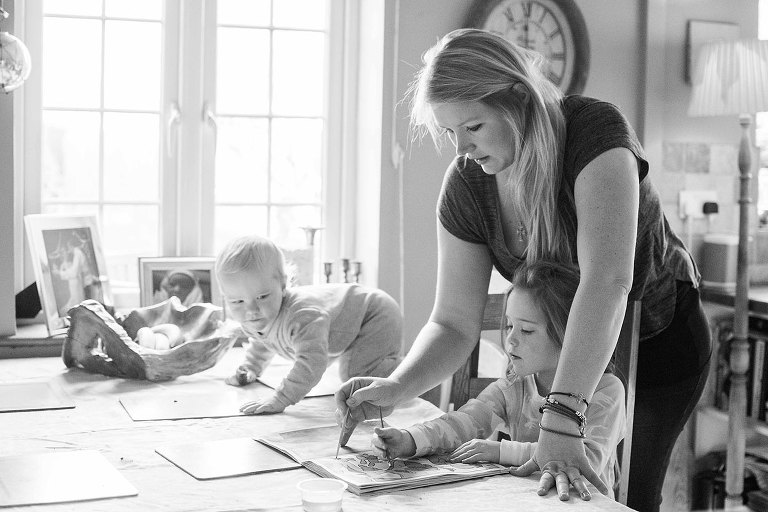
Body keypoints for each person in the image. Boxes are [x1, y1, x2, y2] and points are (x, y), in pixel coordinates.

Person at [335, 29, 711, 511]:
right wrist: (398, 386)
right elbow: (453, 323)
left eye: (472, 127)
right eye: (450, 133)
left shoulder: (594, 134)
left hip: (656, 350)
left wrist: (561, 419)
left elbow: (606, 283)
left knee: (620, 499)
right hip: (556, 369)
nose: (461, 149)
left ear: (517, 99)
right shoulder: (468, 185)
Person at [371, 261, 626, 500]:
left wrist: (501, 451)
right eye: (508, 326)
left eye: (526, 330)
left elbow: (587, 459)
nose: (511, 340)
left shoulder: (606, 391)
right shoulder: (515, 385)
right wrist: (410, 439)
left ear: (568, 336)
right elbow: (465, 422)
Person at [215, 234, 403, 414]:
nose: (252, 309)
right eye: (237, 302)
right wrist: (250, 368)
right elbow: (263, 341)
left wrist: (281, 398)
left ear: (283, 285)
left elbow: (312, 363)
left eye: (262, 297)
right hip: (352, 323)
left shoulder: (302, 317)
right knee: (355, 379)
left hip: (375, 313)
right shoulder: (254, 318)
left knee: (356, 378)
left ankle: (411, 376)